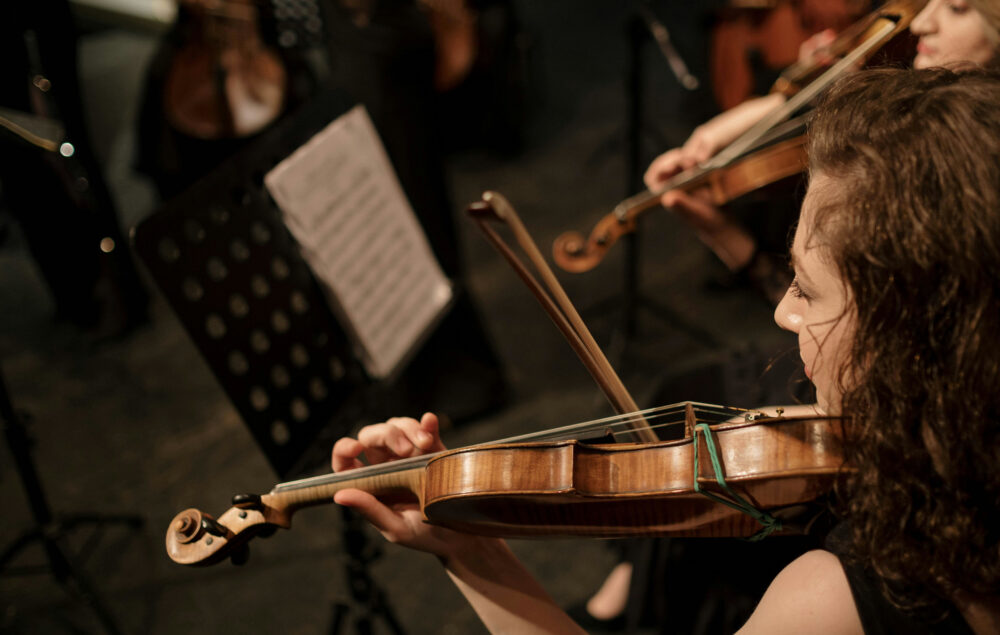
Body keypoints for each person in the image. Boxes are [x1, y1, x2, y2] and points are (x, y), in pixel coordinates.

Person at [329, 66, 1000, 633]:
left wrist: (474, 555)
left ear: (911, 335)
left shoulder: (831, 600)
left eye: (805, 288)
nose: (782, 309)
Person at [644, 0, 1000, 306]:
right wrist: (788, 97)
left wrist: (725, 237)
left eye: (956, 7)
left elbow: (835, 328)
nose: (920, 22)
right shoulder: (926, 103)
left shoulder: (947, 161)